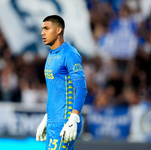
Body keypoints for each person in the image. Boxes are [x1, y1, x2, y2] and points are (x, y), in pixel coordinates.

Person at [36, 15, 88, 150]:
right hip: (53, 120)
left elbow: (81, 89)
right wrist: (48, 117)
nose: (42, 32)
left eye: (46, 28)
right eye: (42, 29)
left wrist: (73, 119)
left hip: (65, 120)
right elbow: (56, 90)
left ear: (58, 30)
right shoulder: (51, 54)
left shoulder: (70, 54)